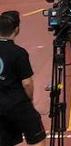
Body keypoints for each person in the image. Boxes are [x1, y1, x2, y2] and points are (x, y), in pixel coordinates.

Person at [0, 12, 45, 146]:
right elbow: (27, 83)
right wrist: (28, 100)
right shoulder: (18, 52)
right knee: (37, 138)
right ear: (17, 29)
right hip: (17, 103)